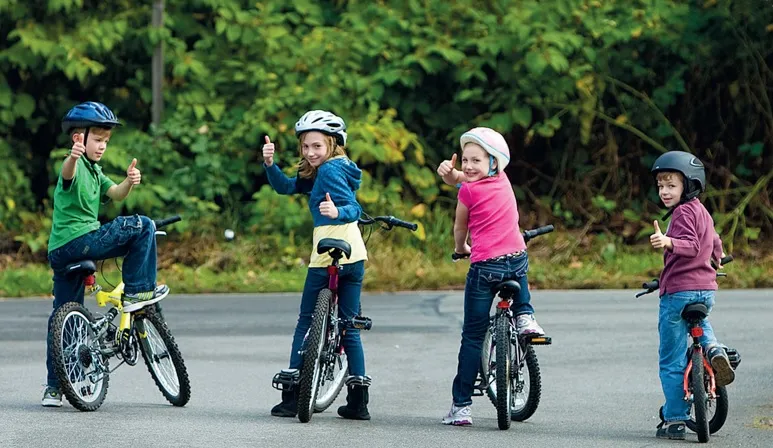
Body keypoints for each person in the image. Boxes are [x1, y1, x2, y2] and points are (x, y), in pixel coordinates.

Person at [43, 102, 169, 407]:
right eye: (98, 140)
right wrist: (72, 158)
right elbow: (67, 173)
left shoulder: (96, 172)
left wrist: (129, 181)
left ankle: (55, 388)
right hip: (82, 239)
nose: (102, 146)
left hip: (60, 251)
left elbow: (116, 195)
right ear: (78, 139)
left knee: (65, 316)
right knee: (142, 226)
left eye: (106, 141)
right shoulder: (72, 165)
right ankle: (140, 293)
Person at [262, 110, 371, 420]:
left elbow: (353, 207)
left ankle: (293, 394)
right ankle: (359, 400)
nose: (310, 153)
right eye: (306, 147)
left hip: (326, 256)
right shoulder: (333, 168)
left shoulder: (330, 171)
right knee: (350, 327)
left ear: (334, 144)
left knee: (306, 320)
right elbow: (286, 187)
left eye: (317, 147)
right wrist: (270, 165)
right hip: (355, 256)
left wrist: (338, 212)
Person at [435, 127, 546, 426]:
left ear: (492, 163)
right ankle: (525, 316)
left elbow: (460, 228)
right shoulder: (502, 179)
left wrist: (461, 248)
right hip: (516, 259)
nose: (468, 167)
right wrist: (452, 174)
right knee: (519, 272)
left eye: (475, 161)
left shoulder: (468, 191)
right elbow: (465, 177)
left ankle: (461, 407)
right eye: (466, 161)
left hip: (485, 267)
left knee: (472, 336)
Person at [649, 150, 735, 440]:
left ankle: (674, 420)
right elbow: (713, 242)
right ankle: (714, 351)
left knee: (671, 358)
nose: (664, 191)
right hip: (706, 289)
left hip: (678, 292)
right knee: (703, 325)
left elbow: (693, 245)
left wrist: (667, 241)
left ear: (690, 184)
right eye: (661, 185)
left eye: (671, 185)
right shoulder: (702, 210)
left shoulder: (683, 212)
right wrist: (718, 259)